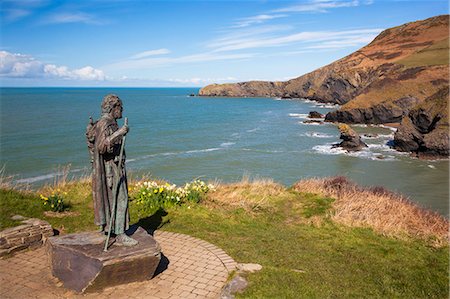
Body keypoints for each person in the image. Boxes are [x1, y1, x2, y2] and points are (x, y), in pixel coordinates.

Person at [86, 94, 138, 246]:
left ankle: (110, 227)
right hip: (111, 169)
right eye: (120, 107)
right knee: (120, 198)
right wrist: (119, 133)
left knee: (112, 198)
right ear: (113, 108)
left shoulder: (105, 123)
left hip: (113, 166)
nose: (122, 111)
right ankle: (120, 234)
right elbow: (102, 147)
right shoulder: (106, 124)